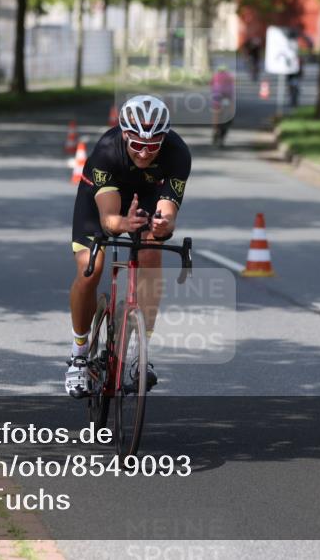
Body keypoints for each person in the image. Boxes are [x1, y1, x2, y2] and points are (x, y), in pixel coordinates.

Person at [65, 95, 192, 398]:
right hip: (103, 201)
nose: (145, 153)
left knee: (151, 251)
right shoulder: (107, 150)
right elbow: (109, 219)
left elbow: (168, 211)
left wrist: (164, 225)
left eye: (153, 146)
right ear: (125, 134)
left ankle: (140, 353)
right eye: (137, 145)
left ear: (164, 139)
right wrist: (123, 223)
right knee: (90, 270)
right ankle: (78, 355)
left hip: (147, 197)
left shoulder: (178, 154)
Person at [210, 64, 235, 147]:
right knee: (230, 110)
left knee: (216, 112)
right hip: (228, 96)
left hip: (218, 96)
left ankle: (215, 129)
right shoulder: (230, 76)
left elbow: (211, 85)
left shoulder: (215, 76)